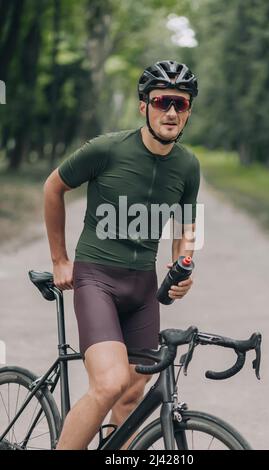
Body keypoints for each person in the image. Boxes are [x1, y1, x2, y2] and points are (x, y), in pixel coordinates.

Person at [43, 60, 200, 450]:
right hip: (97, 278)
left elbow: (184, 228)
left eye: (180, 104)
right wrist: (60, 260)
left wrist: (183, 266)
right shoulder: (107, 149)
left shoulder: (187, 166)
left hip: (142, 288)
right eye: (162, 101)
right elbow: (52, 188)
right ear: (143, 105)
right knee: (109, 384)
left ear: (188, 112)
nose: (171, 112)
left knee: (132, 394)